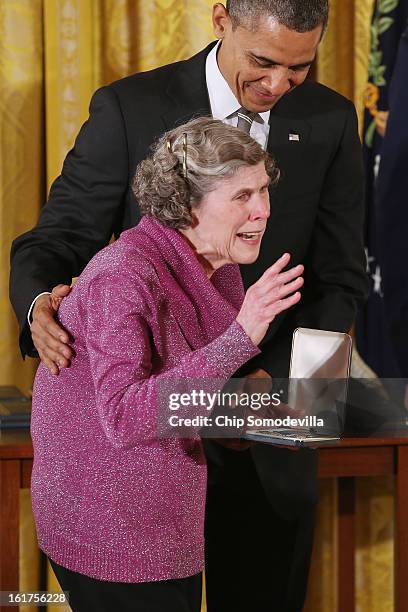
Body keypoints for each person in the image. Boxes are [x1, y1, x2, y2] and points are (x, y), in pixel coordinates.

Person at [10, 1, 368, 610]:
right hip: (143, 450)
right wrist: (42, 303)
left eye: (298, 68)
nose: (277, 85)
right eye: (262, 61)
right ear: (221, 19)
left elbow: (338, 277)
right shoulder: (130, 107)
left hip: (263, 426)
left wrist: (288, 399)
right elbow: (60, 237)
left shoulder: (330, 118)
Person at [31, 117, 304, 612]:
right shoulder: (124, 276)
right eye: (242, 196)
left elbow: (191, 394)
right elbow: (124, 416)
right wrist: (242, 336)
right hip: (109, 531)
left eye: (263, 190)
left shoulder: (219, 271)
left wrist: (258, 417)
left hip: (167, 518)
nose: (263, 211)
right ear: (187, 204)